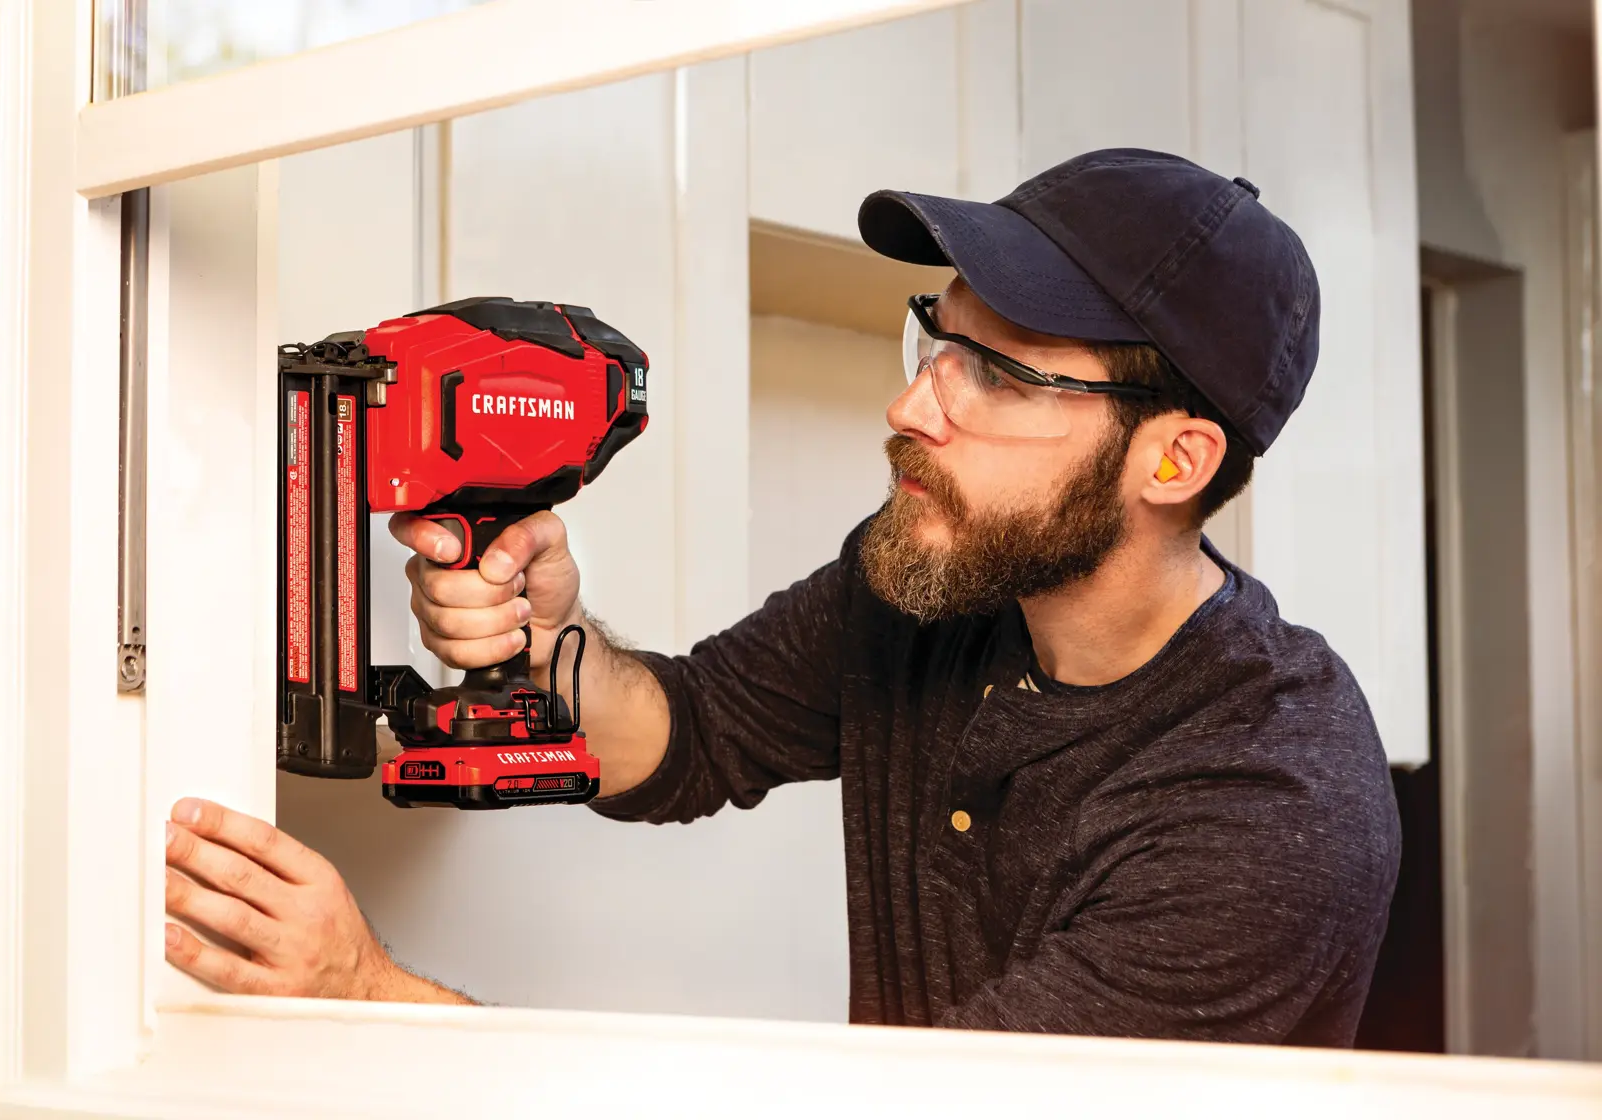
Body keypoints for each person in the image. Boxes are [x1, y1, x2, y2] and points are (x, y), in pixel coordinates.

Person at [162, 148, 1401, 1045]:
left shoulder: (1266, 809)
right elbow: (696, 731)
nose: (911, 406)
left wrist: (370, 1000)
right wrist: (551, 637)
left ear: (1173, 462)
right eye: (936, 342)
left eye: (998, 375)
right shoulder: (933, 578)